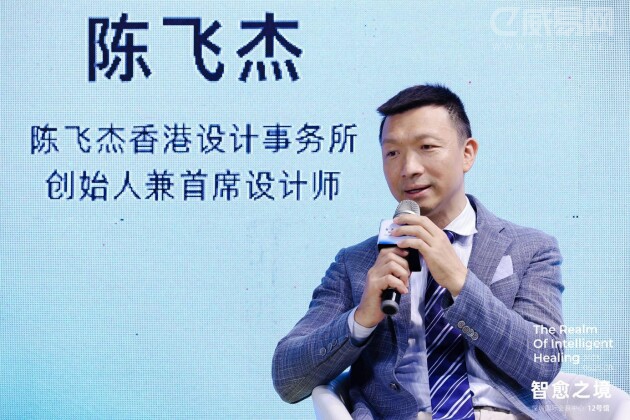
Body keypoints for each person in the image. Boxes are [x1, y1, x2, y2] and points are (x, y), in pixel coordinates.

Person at [272, 84, 565, 419]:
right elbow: (288, 380)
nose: (408, 168)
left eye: (427, 147)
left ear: (467, 153)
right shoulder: (356, 263)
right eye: (392, 153)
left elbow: (543, 364)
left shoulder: (530, 248)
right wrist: (362, 317)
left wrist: (460, 283)